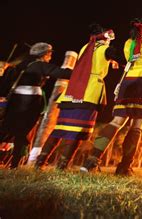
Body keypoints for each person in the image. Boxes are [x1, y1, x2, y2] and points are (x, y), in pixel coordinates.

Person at [81, 18, 142, 176]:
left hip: (127, 81)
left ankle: (92, 160)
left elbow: (129, 61)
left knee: (116, 122)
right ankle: (124, 167)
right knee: (136, 126)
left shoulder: (129, 42)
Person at [35, 24, 118, 170]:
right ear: (104, 36)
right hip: (88, 93)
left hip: (72, 91)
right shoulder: (105, 49)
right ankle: (62, 165)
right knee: (78, 132)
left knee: (59, 128)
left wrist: (110, 60)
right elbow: (118, 55)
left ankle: (40, 162)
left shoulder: (86, 47)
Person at [0, 42, 72, 168]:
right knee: (22, 133)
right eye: (49, 54)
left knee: (7, 130)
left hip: (14, 101)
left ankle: (13, 163)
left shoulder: (19, 65)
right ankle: (14, 165)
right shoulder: (40, 65)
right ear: (44, 54)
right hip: (30, 101)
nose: (50, 57)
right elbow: (63, 73)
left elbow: (6, 82)